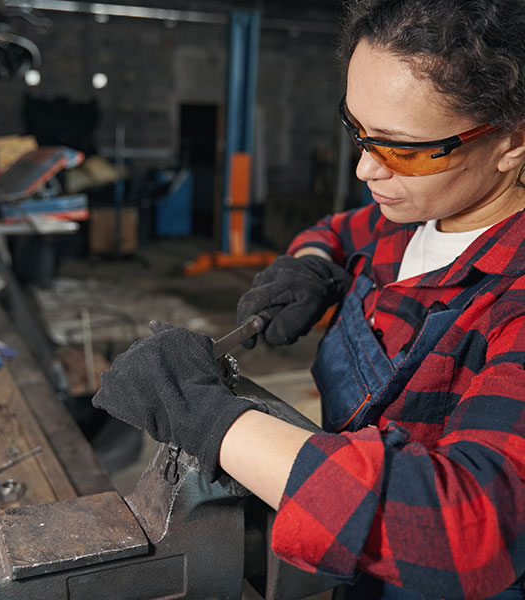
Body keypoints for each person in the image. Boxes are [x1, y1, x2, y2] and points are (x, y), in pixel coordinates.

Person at [92, 0, 525, 597]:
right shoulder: (413, 216)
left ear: (511, 141)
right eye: (357, 130)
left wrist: (211, 418)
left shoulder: (513, 303)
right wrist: (309, 264)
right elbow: (338, 232)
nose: (365, 169)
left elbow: (469, 530)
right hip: (359, 568)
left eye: (402, 149)